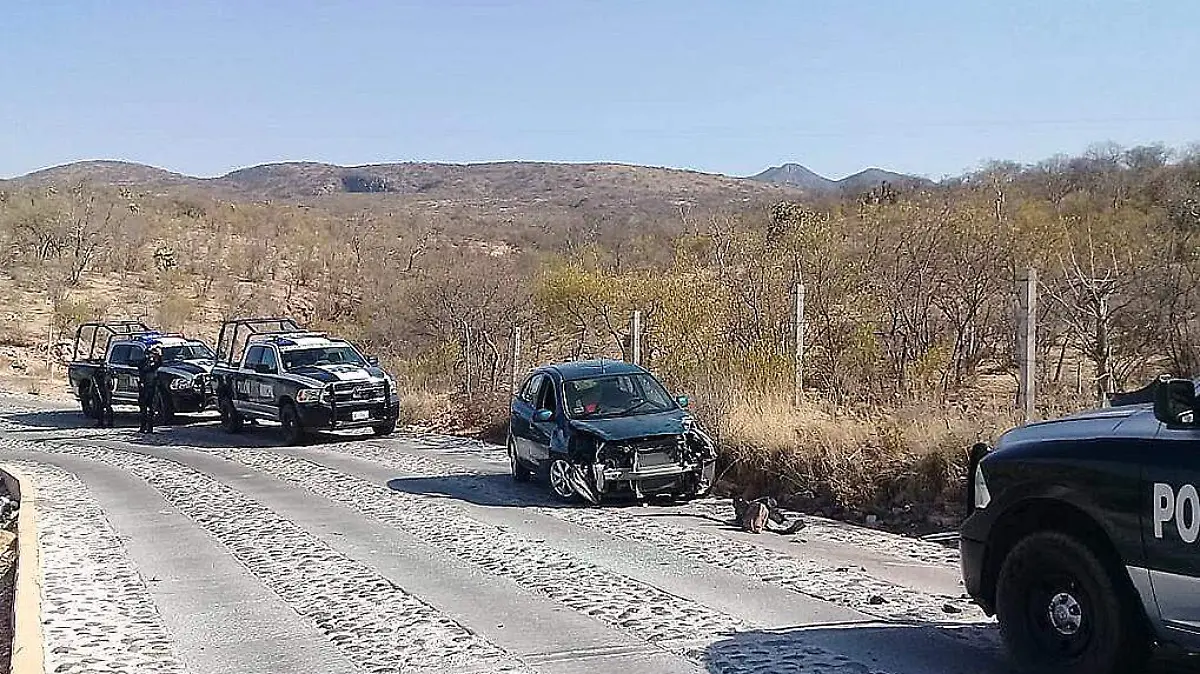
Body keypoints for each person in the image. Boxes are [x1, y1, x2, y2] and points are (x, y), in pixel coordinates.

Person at [136, 344, 162, 433]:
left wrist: (158, 355)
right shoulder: (143, 363)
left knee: (151, 409)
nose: (152, 356)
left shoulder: (156, 363)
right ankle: (143, 427)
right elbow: (143, 368)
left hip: (152, 388)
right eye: (151, 354)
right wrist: (149, 360)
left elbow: (159, 364)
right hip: (144, 388)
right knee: (143, 409)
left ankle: (150, 428)